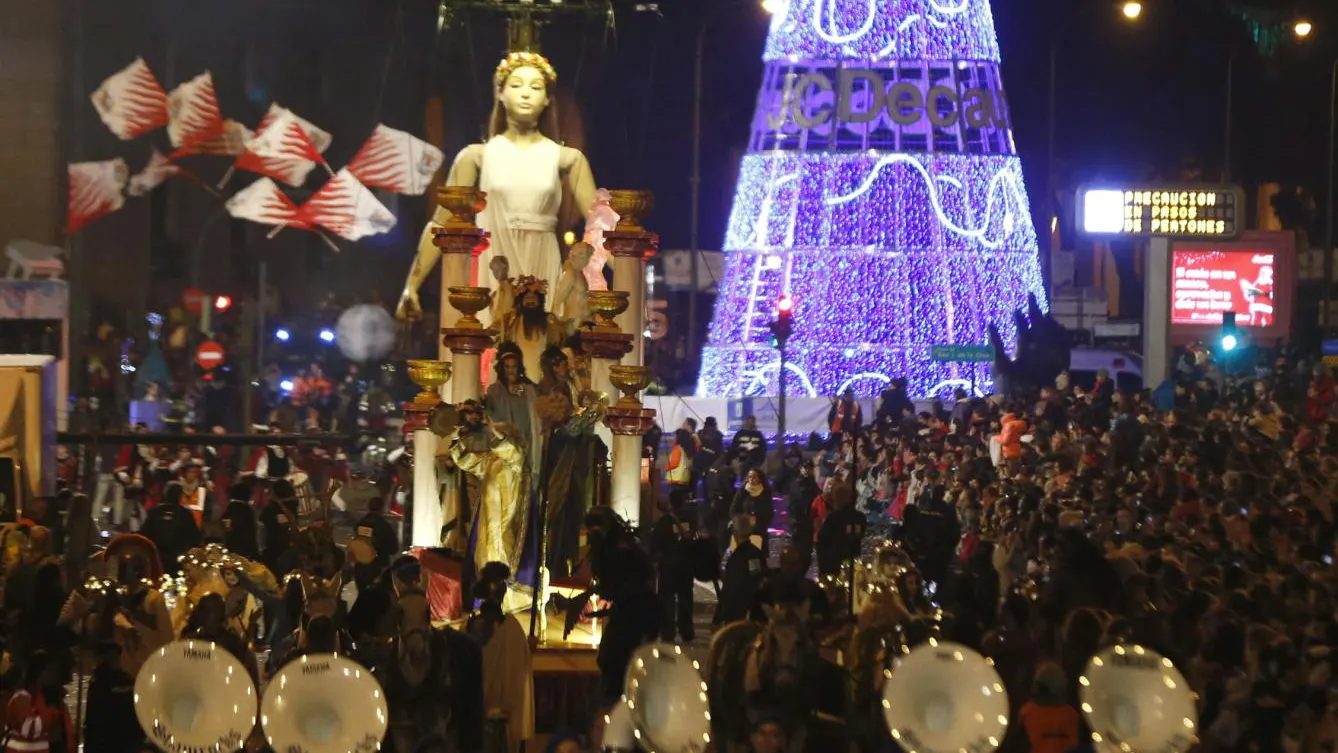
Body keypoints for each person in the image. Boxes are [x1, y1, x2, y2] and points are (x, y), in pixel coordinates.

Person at [396, 50, 599, 326]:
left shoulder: (568, 159)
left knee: (539, 348)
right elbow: (439, 223)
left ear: (547, 99)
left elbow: (600, 227)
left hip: (542, 261)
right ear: (500, 94)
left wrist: (630, 275)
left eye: (535, 87)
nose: (526, 93)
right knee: (493, 350)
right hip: (495, 260)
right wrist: (412, 284)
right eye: (516, 85)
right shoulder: (476, 156)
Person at [465, 563, 533, 753]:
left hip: (499, 716)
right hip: (485, 713)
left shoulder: (511, 629)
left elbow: (517, 671)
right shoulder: (509, 628)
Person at [82, 641, 144, 753]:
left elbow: (94, 719)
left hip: (107, 744)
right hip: (129, 743)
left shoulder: (99, 682)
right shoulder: (129, 680)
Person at [652, 487, 696, 643]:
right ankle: (686, 631)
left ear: (670, 503)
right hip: (686, 565)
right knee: (686, 599)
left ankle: (667, 632)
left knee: (666, 600)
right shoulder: (690, 518)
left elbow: (655, 543)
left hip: (669, 566)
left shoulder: (665, 521)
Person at [138, 482, 201, 575]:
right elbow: (194, 537)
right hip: (177, 559)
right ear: (180, 495)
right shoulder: (185, 514)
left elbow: (144, 534)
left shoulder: (154, 512)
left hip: (156, 558)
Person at [715, 515, 767, 626]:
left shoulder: (737, 558)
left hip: (737, 614)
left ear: (735, 532)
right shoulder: (755, 553)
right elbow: (757, 578)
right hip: (754, 612)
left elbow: (730, 589)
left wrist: (718, 618)